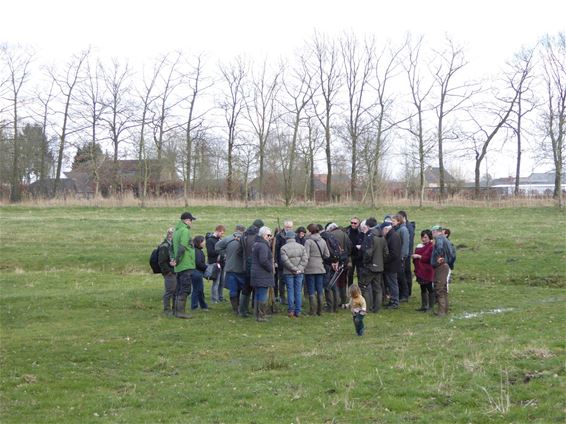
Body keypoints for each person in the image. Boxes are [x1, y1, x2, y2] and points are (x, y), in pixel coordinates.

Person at [215, 224, 246, 314]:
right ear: (244, 230)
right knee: (243, 290)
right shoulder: (246, 239)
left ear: (235, 229)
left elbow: (217, 247)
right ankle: (242, 307)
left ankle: (235, 308)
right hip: (243, 269)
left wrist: (225, 253)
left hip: (231, 269)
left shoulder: (228, 238)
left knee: (233, 290)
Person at [361, 217, 389, 313]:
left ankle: (367, 308)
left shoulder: (370, 237)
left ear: (368, 226)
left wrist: (366, 262)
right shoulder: (382, 237)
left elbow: (368, 253)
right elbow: (386, 253)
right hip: (380, 266)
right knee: (378, 288)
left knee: (364, 286)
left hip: (370, 266)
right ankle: (377, 308)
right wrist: (381, 262)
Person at [172, 211, 197, 319]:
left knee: (179, 288)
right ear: (187, 220)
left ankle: (175, 311)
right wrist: (177, 259)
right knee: (185, 289)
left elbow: (172, 248)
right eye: (191, 220)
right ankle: (181, 312)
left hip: (179, 266)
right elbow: (182, 247)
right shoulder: (185, 231)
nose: (191, 223)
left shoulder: (176, 231)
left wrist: (173, 260)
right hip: (185, 264)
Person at [280, 230, 308, 318]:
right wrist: (299, 269)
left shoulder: (283, 248)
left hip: (288, 272)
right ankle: (298, 311)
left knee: (290, 291)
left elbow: (285, 261)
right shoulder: (301, 247)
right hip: (299, 272)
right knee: (298, 291)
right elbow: (305, 259)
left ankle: (291, 310)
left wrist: (294, 269)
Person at [239, 219, 264, 318]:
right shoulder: (257, 237)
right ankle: (257, 310)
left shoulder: (244, 235)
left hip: (245, 265)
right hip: (255, 265)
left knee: (246, 288)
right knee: (257, 288)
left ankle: (242, 310)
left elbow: (240, 250)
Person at [304, 223, 330, 316]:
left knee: (311, 290)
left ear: (310, 231)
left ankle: (313, 311)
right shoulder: (322, 240)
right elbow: (327, 255)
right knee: (320, 289)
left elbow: (306, 255)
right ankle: (320, 310)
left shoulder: (308, 242)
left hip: (310, 267)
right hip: (320, 267)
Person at [250, 226, 275, 322]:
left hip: (257, 274)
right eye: (269, 235)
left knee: (258, 294)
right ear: (264, 235)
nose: (270, 237)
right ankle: (261, 316)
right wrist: (270, 268)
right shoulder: (263, 245)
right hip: (262, 274)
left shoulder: (257, 244)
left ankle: (257, 315)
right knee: (262, 295)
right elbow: (263, 260)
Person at [430, 225, 453, 316]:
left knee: (439, 289)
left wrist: (439, 257)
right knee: (443, 289)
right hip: (445, 265)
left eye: (432, 232)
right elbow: (452, 254)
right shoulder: (446, 240)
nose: (432, 234)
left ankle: (441, 312)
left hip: (441, 267)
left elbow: (439, 248)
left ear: (436, 231)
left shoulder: (439, 238)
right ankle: (444, 310)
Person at [412, 229, 435, 312]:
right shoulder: (420, 246)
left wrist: (418, 256)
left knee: (429, 287)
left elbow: (429, 258)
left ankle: (431, 306)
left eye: (425, 237)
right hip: (420, 270)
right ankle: (424, 305)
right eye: (422, 237)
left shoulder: (431, 247)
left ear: (429, 237)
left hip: (427, 270)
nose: (423, 239)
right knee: (422, 288)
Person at [381, 221, 402, 310]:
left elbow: (394, 253)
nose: (382, 232)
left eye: (382, 230)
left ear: (386, 229)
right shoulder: (392, 235)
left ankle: (395, 302)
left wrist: (384, 260)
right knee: (391, 283)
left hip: (392, 265)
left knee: (393, 284)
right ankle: (392, 301)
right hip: (391, 265)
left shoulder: (393, 237)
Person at [274, 219, 294, 304]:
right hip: (281, 262)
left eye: (290, 227)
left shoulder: (294, 235)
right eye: (287, 227)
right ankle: (282, 297)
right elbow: (276, 250)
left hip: (292, 262)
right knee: (281, 281)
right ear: (284, 226)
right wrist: (276, 261)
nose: (288, 228)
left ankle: (291, 298)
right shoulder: (279, 236)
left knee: (291, 282)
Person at [391, 214, 410, 302]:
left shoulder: (403, 230)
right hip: (397, 258)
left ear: (398, 221)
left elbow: (405, 245)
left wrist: (402, 257)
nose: (392, 222)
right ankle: (400, 294)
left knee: (401, 276)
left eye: (393, 221)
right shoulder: (397, 229)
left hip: (400, 258)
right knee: (398, 276)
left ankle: (405, 295)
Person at [158, 227, 176, 316]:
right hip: (169, 273)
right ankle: (167, 309)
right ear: (170, 235)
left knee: (175, 290)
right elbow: (161, 262)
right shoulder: (164, 246)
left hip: (174, 271)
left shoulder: (172, 245)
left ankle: (175, 308)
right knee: (169, 290)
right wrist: (168, 271)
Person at [206, 225, 226, 304]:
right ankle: (214, 299)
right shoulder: (210, 240)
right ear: (217, 231)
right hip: (215, 264)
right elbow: (210, 252)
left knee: (222, 282)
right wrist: (220, 252)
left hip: (222, 263)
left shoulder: (220, 239)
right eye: (221, 233)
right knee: (216, 282)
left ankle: (220, 297)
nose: (222, 234)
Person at [398, 210, 416, 298]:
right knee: (405, 273)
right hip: (406, 253)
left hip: (406, 254)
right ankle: (406, 292)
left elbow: (407, 243)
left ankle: (406, 292)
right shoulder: (407, 227)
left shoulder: (407, 228)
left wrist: (404, 255)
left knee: (405, 273)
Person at [191, 236, 209, 311]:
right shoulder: (197, 252)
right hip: (196, 272)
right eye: (203, 241)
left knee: (200, 289)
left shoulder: (196, 250)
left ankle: (203, 305)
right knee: (197, 290)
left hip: (196, 272)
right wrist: (206, 267)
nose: (204, 243)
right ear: (199, 242)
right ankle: (194, 306)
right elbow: (198, 263)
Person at [345, 217, 364, 289]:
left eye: (355, 223)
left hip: (359, 256)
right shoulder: (347, 230)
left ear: (358, 224)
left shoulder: (361, 231)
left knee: (360, 274)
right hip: (350, 256)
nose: (353, 224)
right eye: (351, 222)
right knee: (350, 274)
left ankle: (360, 289)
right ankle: (350, 289)